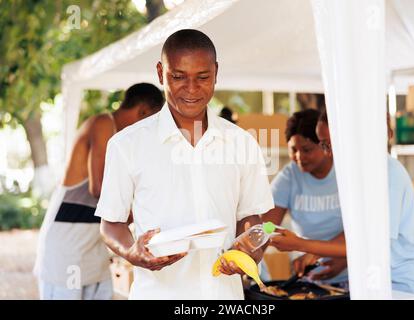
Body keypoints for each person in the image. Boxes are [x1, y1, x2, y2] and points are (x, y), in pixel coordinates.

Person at [95, 29, 274, 300]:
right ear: (160, 73)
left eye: (203, 77)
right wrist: (131, 252)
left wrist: (250, 249)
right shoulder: (126, 144)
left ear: (216, 72)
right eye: (178, 77)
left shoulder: (242, 143)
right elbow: (111, 224)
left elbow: (254, 220)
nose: (191, 89)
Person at [271, 109, 414, 299]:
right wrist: (316, 252)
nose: (329, 154)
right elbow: (356, 232)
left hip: (410, 283)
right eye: (324, 145)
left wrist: (302, 244)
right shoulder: (359, 175)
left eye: (331, 144)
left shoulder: (388, 172)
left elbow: (367, 242)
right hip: (378, 282)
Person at [34, 83, 164, 300]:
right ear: (143, 112)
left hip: (94, 251)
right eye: (153, 119)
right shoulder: (104, 123)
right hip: (67, 247)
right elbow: (99, 188)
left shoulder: (126, 144)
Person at [262, 109, 348, 285]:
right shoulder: (289, 177)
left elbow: (360, 228)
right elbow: (267, 225)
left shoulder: (346, 173)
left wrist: (344, 258)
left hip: (352, 273)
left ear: (325, 145)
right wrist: (270, 233)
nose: (299, 157)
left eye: (307, 149)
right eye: (294, 150)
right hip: (308, 278)